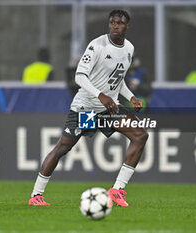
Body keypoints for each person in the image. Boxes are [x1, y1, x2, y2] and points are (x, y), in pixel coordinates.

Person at [28, 9, 148, 207]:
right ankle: (36, 195)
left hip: (108, 108)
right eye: (112, 22)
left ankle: (118, 189)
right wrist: (100, 95)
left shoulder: (129, 49)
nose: (115, 26)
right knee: (63, 147)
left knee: (140, 135)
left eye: (119, 23)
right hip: (86, 108)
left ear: (127, 26)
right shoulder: (97, 45)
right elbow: (79, 76)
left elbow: (118, 81)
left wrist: (131, 97)